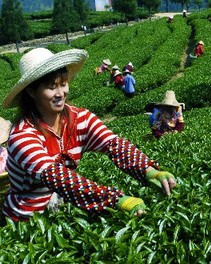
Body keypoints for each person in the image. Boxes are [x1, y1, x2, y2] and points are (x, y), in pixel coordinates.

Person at [1, 47, 176, 222]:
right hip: (28, 220)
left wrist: (149, 171)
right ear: (32, 92)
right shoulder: (22, 136)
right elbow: (57, 177)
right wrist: (116, 200)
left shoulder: (79, 118)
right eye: (51, 87)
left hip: (63, 207)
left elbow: (113, 144)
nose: (60, 94)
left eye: (63, 84)